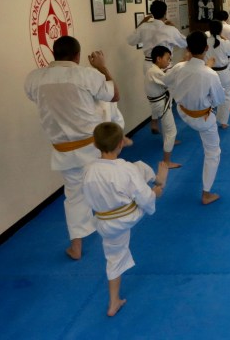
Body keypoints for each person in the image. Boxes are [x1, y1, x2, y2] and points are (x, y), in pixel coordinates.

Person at [25, 36, 119, 259]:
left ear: (54, 54)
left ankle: (76, 247)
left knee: (75, 196)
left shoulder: (34, 78)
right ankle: (116, 228)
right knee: (106, 184)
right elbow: (114, 95)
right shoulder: (87, 75)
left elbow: (37, 98)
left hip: (63, 149)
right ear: (77, 56)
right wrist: (102, 67)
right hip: (93, 146)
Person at [83, 122, 167, 317]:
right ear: (120, 143)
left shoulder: (88, 170)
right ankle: (159, 181)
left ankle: (114, 302)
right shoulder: (125, 169)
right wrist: (154, 194)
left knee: (139, 167)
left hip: (102, 221)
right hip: (126, 217)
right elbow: (144, 199)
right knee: (141, 180)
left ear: (95, 144)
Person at [163, 31, 224, 205]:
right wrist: (208, 68)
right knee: (213, 153)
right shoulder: (210, 74)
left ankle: (206, 193)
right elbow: (218, 100)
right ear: (206, 48)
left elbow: (166, 81)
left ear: (187, 49)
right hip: (203, 119)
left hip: (183, 113)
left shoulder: (179, 67)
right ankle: (206, 194)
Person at [127, 0, 187, 134]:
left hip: (148, 65)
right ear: (165, 12)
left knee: (155, 95)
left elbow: (130, 40)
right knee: (166, 99)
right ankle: (168, 134)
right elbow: (184, 43)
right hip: (164, 66)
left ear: (151, 13)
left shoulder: (144, 27)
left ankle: (154, 120)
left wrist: (141, 23)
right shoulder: (169, 29)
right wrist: (174, 27)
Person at [145, 45, 180, 169]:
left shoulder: (154, 70)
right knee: (172, 131)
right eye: (167, 58)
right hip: (160, 104)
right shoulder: (154, 72)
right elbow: (168, 81)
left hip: (160, 102)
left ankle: (169, 142)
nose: (169, 61)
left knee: (166, 127)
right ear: (159, 59)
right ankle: (166, 162)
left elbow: (167, 78)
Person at [206, 20, 230, 129]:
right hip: (223, 73)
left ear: (210, 30)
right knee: (226, 96)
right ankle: (223, 121)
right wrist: (224, 38)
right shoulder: (225, 43)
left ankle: (208, 119)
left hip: (209, 72)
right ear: (221, 30)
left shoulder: (205, 42)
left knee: (208, 96)